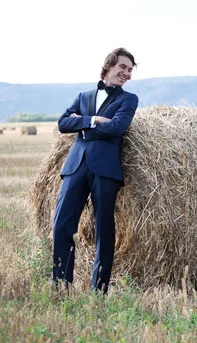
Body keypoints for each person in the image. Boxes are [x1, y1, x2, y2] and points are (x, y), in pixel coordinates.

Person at [53, 48, 139, 294]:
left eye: (130, 70)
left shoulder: (128, 99)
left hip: (105, 169)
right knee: (61, 225)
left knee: (104, 229)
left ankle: (98, 289)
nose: (127, 74)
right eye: (123, 67)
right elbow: (62, 123)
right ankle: (61, 285)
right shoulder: (83, 95)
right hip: (75, 166)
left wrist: (80, 125)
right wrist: (92, 121)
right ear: (109, 65)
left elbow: (118, 127)